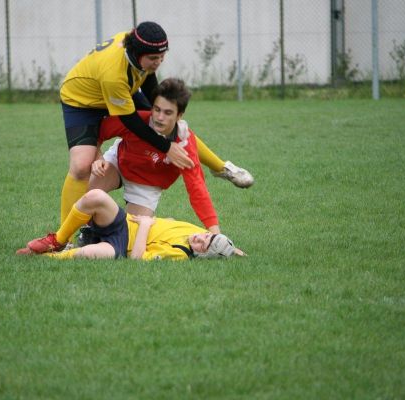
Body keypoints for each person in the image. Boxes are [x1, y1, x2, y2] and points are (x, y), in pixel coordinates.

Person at [57, 21, 253, 237]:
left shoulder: (138, 45)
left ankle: (221, 167)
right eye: (153, 58)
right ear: (137, 52)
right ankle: (63, 239)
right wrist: (165, 147)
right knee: (81, 167)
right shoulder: (114, 74)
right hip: (82, 102)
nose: (158, 62)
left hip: (119, 94)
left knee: (169, 125)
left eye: (162, 56)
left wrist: (167, 122)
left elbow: (150, 83)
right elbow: (129, 121)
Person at [89, 77, 221, 234]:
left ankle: (158, 224)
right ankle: (85, 231)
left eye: (168, 112)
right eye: (157, 109)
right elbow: (97, 132)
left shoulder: (185, 144)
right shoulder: (137, 121)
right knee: (89, 191)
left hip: (147, 186)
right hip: (119, 162)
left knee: (130, 236)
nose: (159, 117)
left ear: (180, 115)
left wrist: (216, 236)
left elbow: (197, 188)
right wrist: (98, 157)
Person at [16, 189, 245, 260]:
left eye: (205, 243)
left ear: (204, 255)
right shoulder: (198, 232)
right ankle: (57, 240)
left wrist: (145, 224)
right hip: (122, 222)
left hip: (121, 246)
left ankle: (44, 258)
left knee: (86, 255)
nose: (201, 237)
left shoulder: (181, 254)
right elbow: (217, 244)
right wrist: (232, 249)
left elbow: (137, 259)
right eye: (206, 235)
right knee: (94, 196)